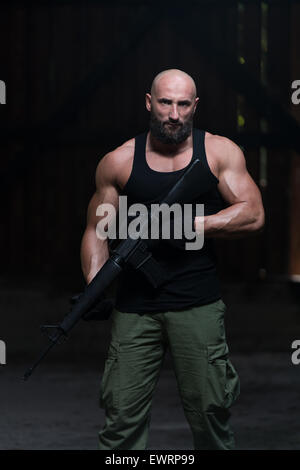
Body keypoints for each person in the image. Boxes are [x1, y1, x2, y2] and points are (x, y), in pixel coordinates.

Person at [80, 69, 265, 450]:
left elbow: (253, 213)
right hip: (134, 309)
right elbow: (96, 230)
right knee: (120, 424)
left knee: (210, 416)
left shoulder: (218, 152)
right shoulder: (118, 161)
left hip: (197, 304)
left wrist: (194, 224)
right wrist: (94, 285)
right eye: (165, 102)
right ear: (150, 103)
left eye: (183, 104)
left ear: (195, 106)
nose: (174, 114)